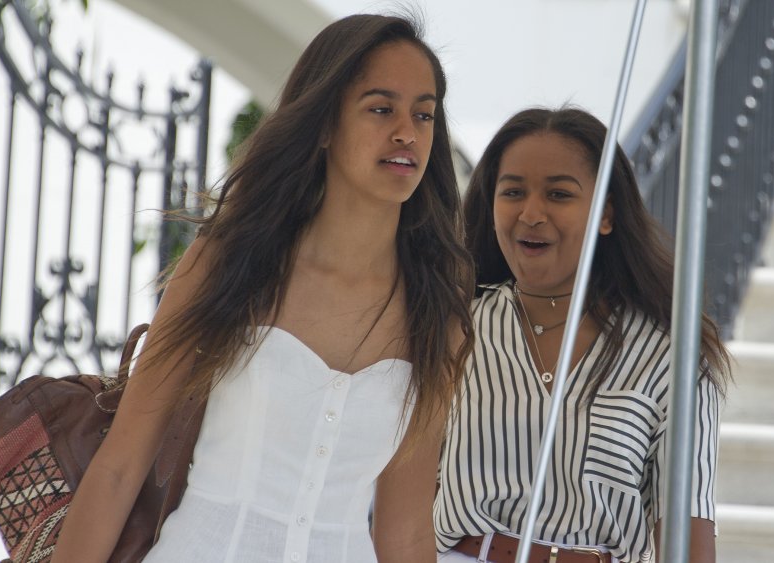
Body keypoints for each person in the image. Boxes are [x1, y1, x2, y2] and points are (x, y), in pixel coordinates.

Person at [53, 13, 474, 563]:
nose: (407, 131)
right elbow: (119, 468)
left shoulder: (435, 305)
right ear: (324, 126)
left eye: (423, 114)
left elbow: (406, 532)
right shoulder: (232, 260)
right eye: (380, 108)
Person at [433, 107, 730, 563]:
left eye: (558, 193)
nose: (531, 213)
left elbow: (689, 540)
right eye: (512, 192)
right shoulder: (451, 326)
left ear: (606, 215)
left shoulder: (674, 357)